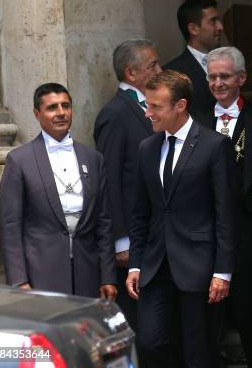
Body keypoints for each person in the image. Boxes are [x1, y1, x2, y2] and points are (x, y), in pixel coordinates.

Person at [126, 70, 236, 367]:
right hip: (155, 264)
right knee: (150, 340)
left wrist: (223, 271)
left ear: (180, 105)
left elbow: (225, 211)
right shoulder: (147, 148)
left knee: (198, 349)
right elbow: (140, 212)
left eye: (156, 107)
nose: (149, 113)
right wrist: (135, 263)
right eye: (147, 106)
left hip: (198, 265)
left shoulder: (214, 146)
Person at [192, 46, 252, 367]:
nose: (218, 83)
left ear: (241, 78)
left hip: (249, 234)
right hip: (205, 235)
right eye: (212, 77)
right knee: (206, 320)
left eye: (225, 76)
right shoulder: (196, 121)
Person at [0, 83, 116, 299]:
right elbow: (10, 225)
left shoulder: (93, 158)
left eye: (66, 106)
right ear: (37, 114)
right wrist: (18, 280)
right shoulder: (19, 160)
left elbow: (104, 221)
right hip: (40, 274)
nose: (61, 113)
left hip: (87, 274)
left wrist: (108, 276)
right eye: (52, 107)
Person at [93, 39, 161, 333]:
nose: (160, 69)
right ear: (131, 73)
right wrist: (120, 240)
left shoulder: (152, 105)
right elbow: (109, 180)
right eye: (153, 66)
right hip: (132, 237)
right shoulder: (115, 113)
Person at [165, 0, 223, 120]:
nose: (220, 27)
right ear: (193, 29)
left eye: (218, 20)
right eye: (213, 21)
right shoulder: (172, 73)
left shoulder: (227, 63)